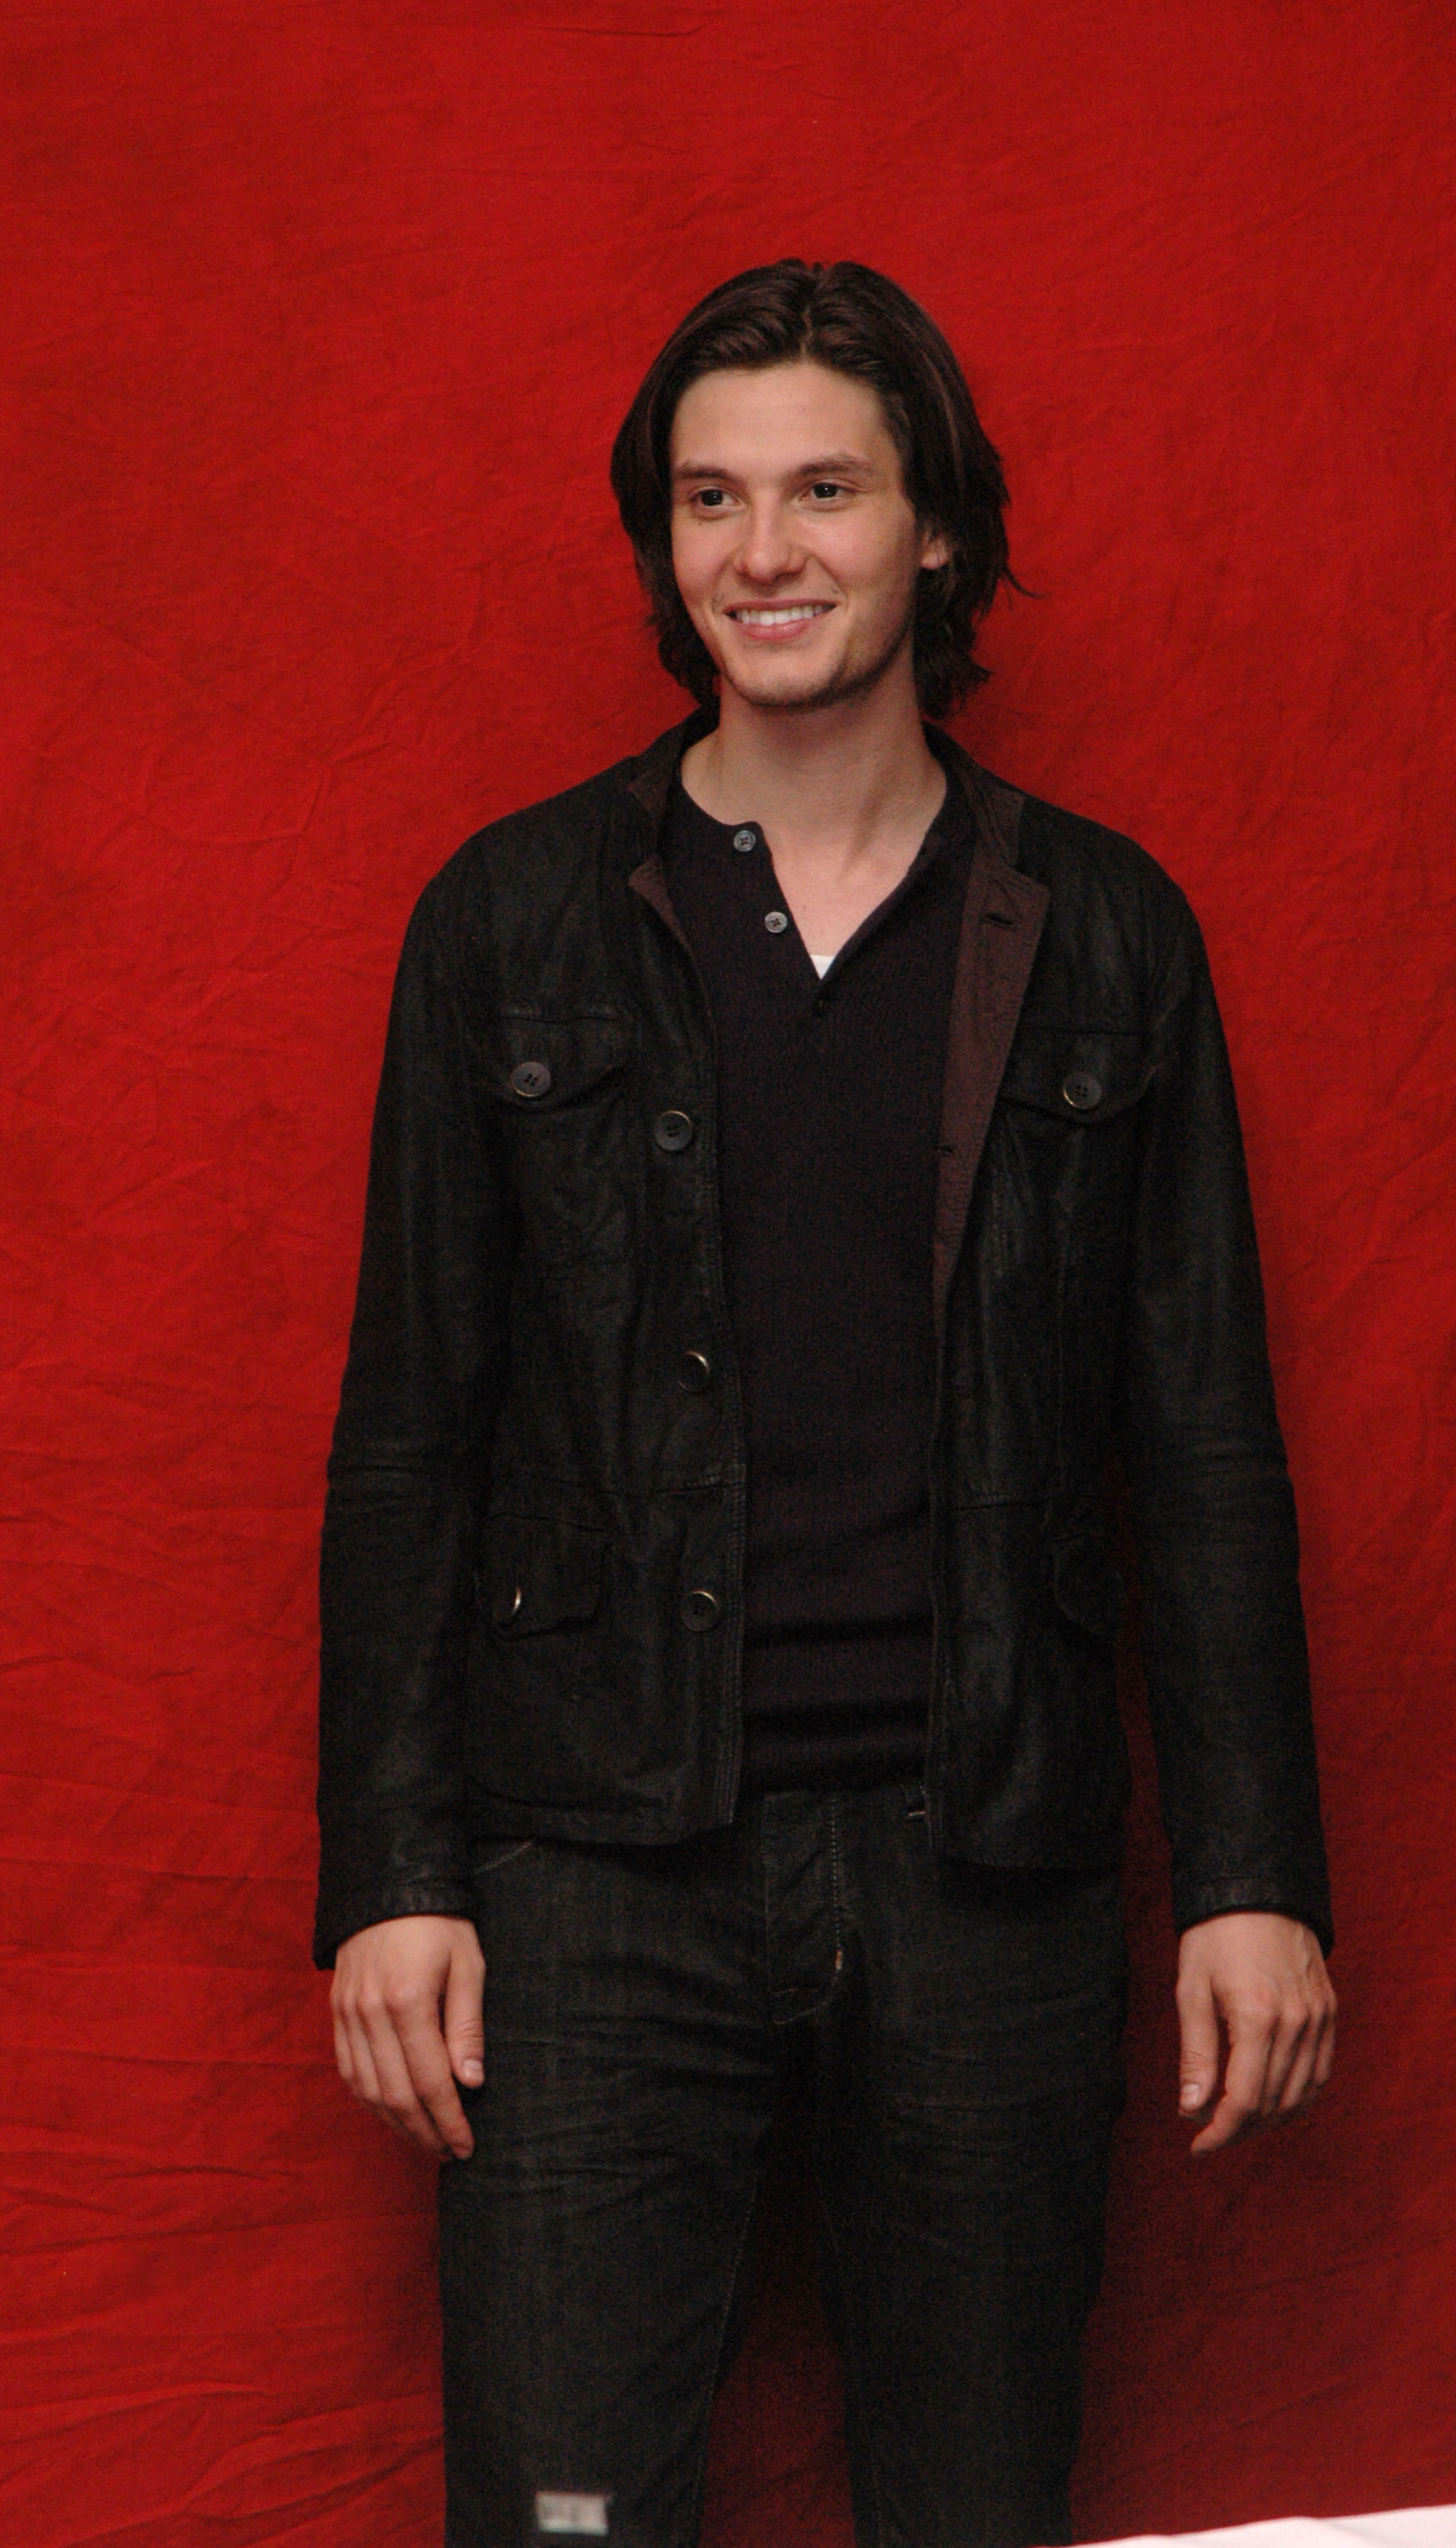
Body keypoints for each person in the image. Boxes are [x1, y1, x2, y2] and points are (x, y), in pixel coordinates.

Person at [314, 258, 1336, 2548]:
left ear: (936, 528)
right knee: (564, 2523)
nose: (761, 551)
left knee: (975, 2511)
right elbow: (411, 1427)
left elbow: (1203, 1441)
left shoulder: (1106, 931)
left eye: (824, 491)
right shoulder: (512, 920)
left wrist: (1256, 1878)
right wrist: (391, 1879)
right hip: (592, 1870)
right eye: (710, 498)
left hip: (989, 1863)